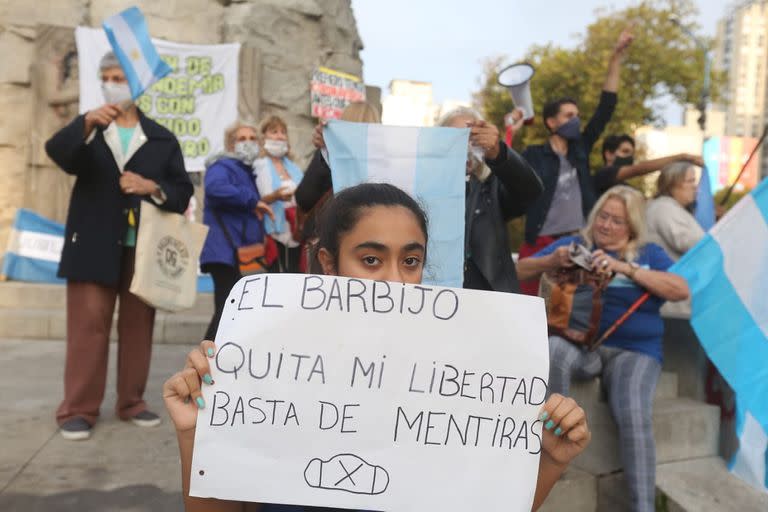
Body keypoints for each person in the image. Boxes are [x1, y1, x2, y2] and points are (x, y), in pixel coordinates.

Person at [164, 183, 592, 512]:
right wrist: (195, 435)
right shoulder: (266, 367)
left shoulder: (460, 376)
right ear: (329, 264)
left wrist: (549, 463)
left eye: (410, 261)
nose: (394, 281)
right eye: (371, 260)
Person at [45, 52, 194, 440]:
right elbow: (58, 153)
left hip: (143, 249)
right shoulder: (90, 130)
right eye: (108, 76)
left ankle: (132, 402)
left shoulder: (162, 137)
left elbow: (181, 191)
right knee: (87, 327)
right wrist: (85, 122)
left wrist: (152, 188)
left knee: (137, 328)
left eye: (121, 77)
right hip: (92, 243)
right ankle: (77, 409)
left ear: (137, 85)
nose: (114, 83)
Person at [516, 185, 689, 512]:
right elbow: (518, 269)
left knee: (634, 410)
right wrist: (552, 259)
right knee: (554, 347)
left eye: (618, 221)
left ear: (633, 227)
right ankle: (552, 452)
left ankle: (643, 507)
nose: (607, 225)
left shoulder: (649, 254)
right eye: (603, 217)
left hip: (634, 351)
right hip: (585, 348)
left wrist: (625, 268)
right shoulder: (576, 245)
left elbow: (680, 289)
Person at [518, 28, 634, 295]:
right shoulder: (534, 155)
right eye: (569, 115)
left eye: (578, 115)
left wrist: (616, 58)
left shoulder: (580, 149)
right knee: (531, 304)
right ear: (551, 122)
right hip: (541, 243)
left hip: (577, 243)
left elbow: (606, 108)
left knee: (569, 309)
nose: (576, 120)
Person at [437, 107, 543, 292]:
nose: (464, 146)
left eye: (472, 138)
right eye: (455, 138)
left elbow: (531, 191)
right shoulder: (426, 189)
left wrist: (499, 153)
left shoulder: (492, 186)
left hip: (489, 300)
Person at [200, 120, 273, 341]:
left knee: (230, 312)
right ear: (231, 144)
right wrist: (252, 200)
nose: (248, 143)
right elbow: (215, 188)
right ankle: (204, 364)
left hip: (233, 252)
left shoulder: (244, 170)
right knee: (226, 312)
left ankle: (212, 362)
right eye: (242, 139)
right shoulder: (222, 166)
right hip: (224, 251)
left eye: (252, 138)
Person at [646, 162, 707, 399]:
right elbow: (691, 243)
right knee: (682, 380)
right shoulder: (664, 208)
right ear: (673, 184)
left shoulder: (675, 209)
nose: (695, 188)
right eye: (690, 182)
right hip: (672, 306)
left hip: (681, 303)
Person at [254, 115, 304, 273]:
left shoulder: (294, 167)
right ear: (263, 137)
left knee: (296, 272)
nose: (280, 135)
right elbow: (254, 200)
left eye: (283, 132)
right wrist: (275, 196)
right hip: (273, 229)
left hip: (296, 227)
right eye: (274, 131)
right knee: (278, 275)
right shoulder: (258, 165)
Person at [593, 134, 704, 197]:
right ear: (609, 154)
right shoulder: (602, 176)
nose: (630, 158)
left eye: (631, 154)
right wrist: (681, 157)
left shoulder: (626, 188)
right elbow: (638, 169)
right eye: (625, 151)